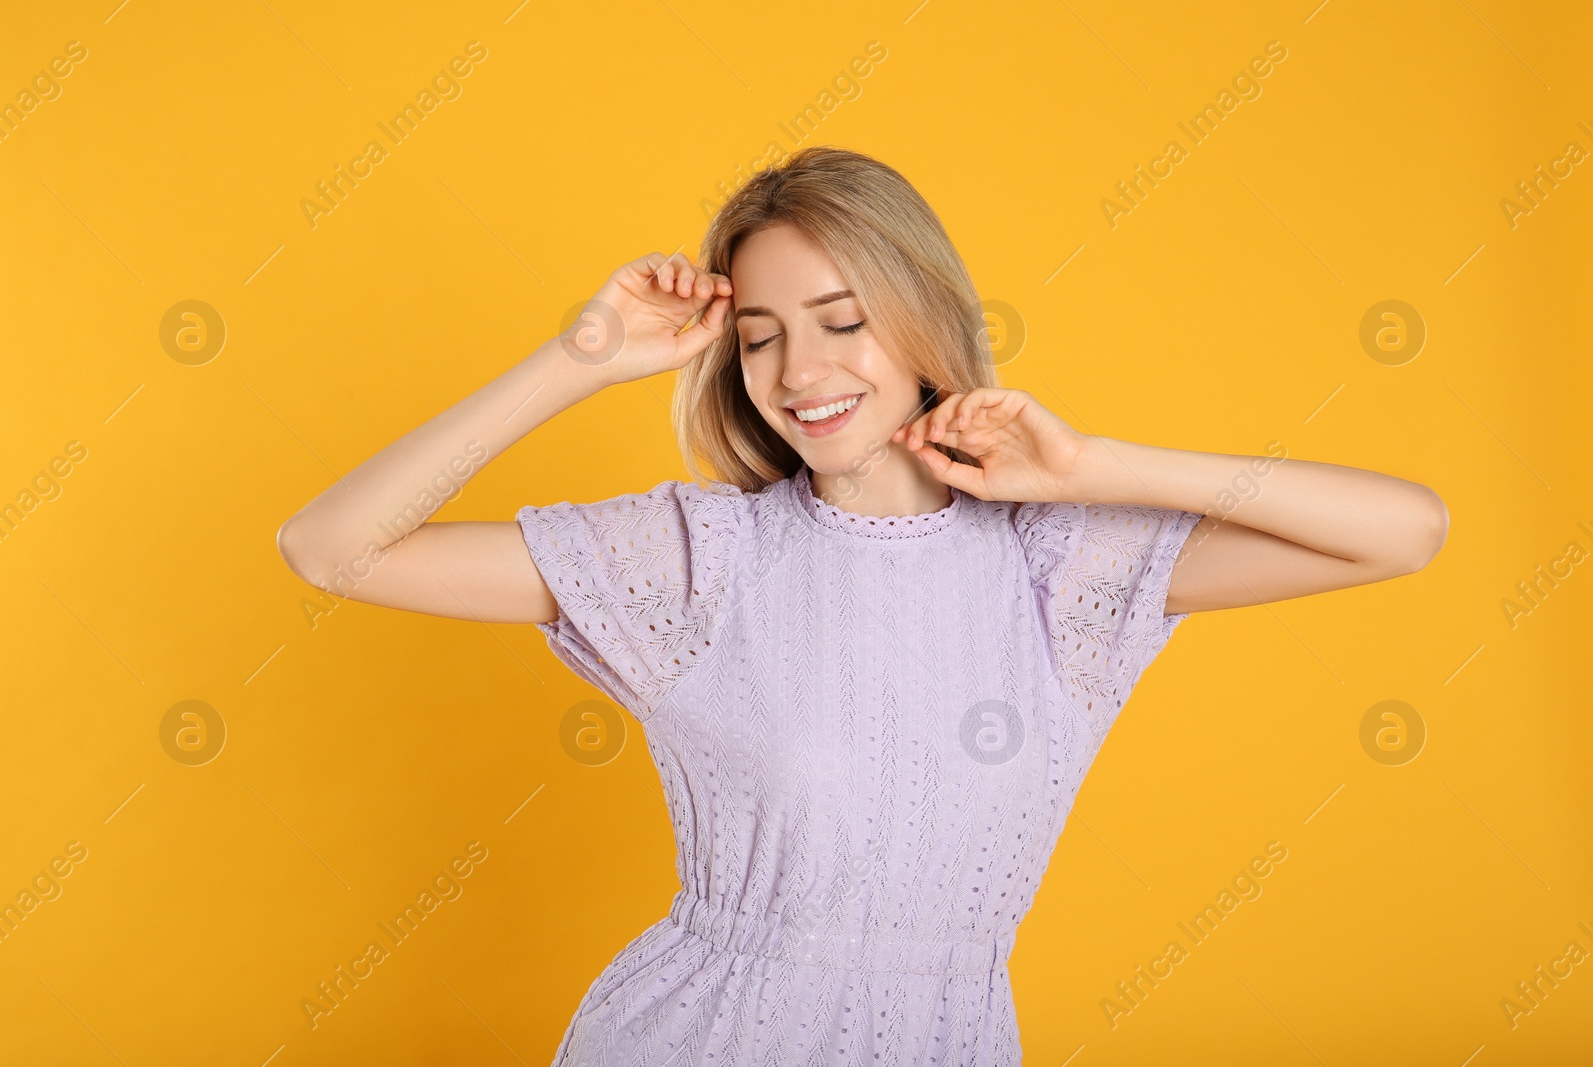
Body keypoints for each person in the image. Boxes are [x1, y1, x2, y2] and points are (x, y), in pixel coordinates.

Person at [277, 145, 1448, 1065]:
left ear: (922, 320)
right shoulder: (697, 557)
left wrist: (1088, 464)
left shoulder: (1060, 568)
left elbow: (1404, 531)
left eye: (842, 320)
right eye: (759, 339)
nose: (799, 373)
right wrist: (578, 355)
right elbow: (329, 548)